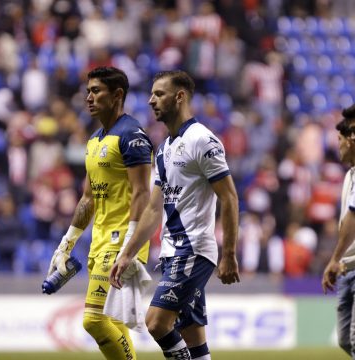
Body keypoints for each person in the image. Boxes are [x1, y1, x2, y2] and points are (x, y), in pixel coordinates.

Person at [110, 70, 240, 359]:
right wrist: (127, 253)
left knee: (156, 323)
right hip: (172, 253)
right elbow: (154, 208)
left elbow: (229, 196)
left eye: (159, 94)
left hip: (192, 249)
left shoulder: (202, 140)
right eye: (152, 94)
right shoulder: (164, 148)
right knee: (193, 338)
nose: (150, 100)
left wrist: (229, 253)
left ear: (179, 97)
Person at [47, 66, 153, 360]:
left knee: (93, 320)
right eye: (88, 92)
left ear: (117, 95)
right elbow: (87, 198)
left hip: (122, 240)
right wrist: (66, 245)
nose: (88, 98)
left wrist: (130, 244)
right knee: (114, 322)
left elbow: (143, 192)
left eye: (96, 91)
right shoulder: (94, 140)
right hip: (100, 239)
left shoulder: (132, 135)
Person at [322, 104, 355, 357]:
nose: (338, 145)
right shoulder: (348, 176)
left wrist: (333, 259)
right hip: (347, 268)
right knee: (345, 340)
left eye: (340, 139)